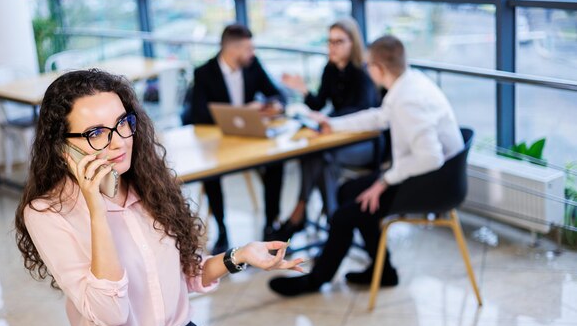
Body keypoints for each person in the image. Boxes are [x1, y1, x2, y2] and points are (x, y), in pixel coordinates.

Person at [15, 69, 304, 326]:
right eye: (97, 132)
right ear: (63, 147)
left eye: (123, 123)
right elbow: (110, 312)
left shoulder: (150, 186)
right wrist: (96, 208)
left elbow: (189, 274)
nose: (119, 141)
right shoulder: (47, 212)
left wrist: (241, 255)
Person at [268, 35, 464, 297]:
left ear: (378, 68)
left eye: (369, 64)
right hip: (429, 174)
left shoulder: (408, 99)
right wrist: (332, 124)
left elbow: (430, 158)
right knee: (347, 192)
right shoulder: (407, 84)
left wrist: (383, 182)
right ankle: (383, 270)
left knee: (344, 214)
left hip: (434, 183)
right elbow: (379, 118)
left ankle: (316, 279)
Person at [273, 17, 382, 241]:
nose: (332, 47)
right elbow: (318, 104)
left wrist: (327, 120)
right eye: (330, 41)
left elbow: (361, 113)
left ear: (353, 43)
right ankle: (331, 219)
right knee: (312, 153)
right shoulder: (329, 69)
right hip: (337, 138)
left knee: (324, 156)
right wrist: (303, 90)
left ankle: (307, 216)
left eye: (339, 42)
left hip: (366, 142)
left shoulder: (363, 73)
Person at [191, 23, 286, 254]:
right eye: (248, 49)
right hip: (219, 140)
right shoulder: (204, 73)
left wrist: (271, 105)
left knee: (277, 162)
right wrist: (243, 109)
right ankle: (222, 229)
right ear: (232, 50)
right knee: (211, 171)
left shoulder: (252, 66)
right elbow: (198, 113)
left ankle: (269, 224)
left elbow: (278, 94)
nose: (252, 54)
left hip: (250, 138)